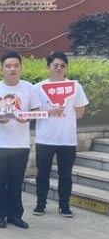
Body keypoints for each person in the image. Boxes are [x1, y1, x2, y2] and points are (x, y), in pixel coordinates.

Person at [0, 51, 40, 229]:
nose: (12, 69)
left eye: (16, 65)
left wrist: (26, 117)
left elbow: (36, 111)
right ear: (2, 69)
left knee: (16, 181)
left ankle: (15, 215)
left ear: (21, 68)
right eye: (8, 66)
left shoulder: (29, 88)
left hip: (20, 144)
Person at [34, 51, 88, 217]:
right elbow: (34, 112)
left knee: (65, 175)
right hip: (45, 138)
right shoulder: (38, 88)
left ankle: (64, 205)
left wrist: (65, 117)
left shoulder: (75, 87)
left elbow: (80, 112)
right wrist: (51, 112)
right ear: (48, 67)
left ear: (66, 68)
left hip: (67, 139)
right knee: (42, 174)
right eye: (55, 65)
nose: (58, 68)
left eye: (62, 66)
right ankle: (40, 203)